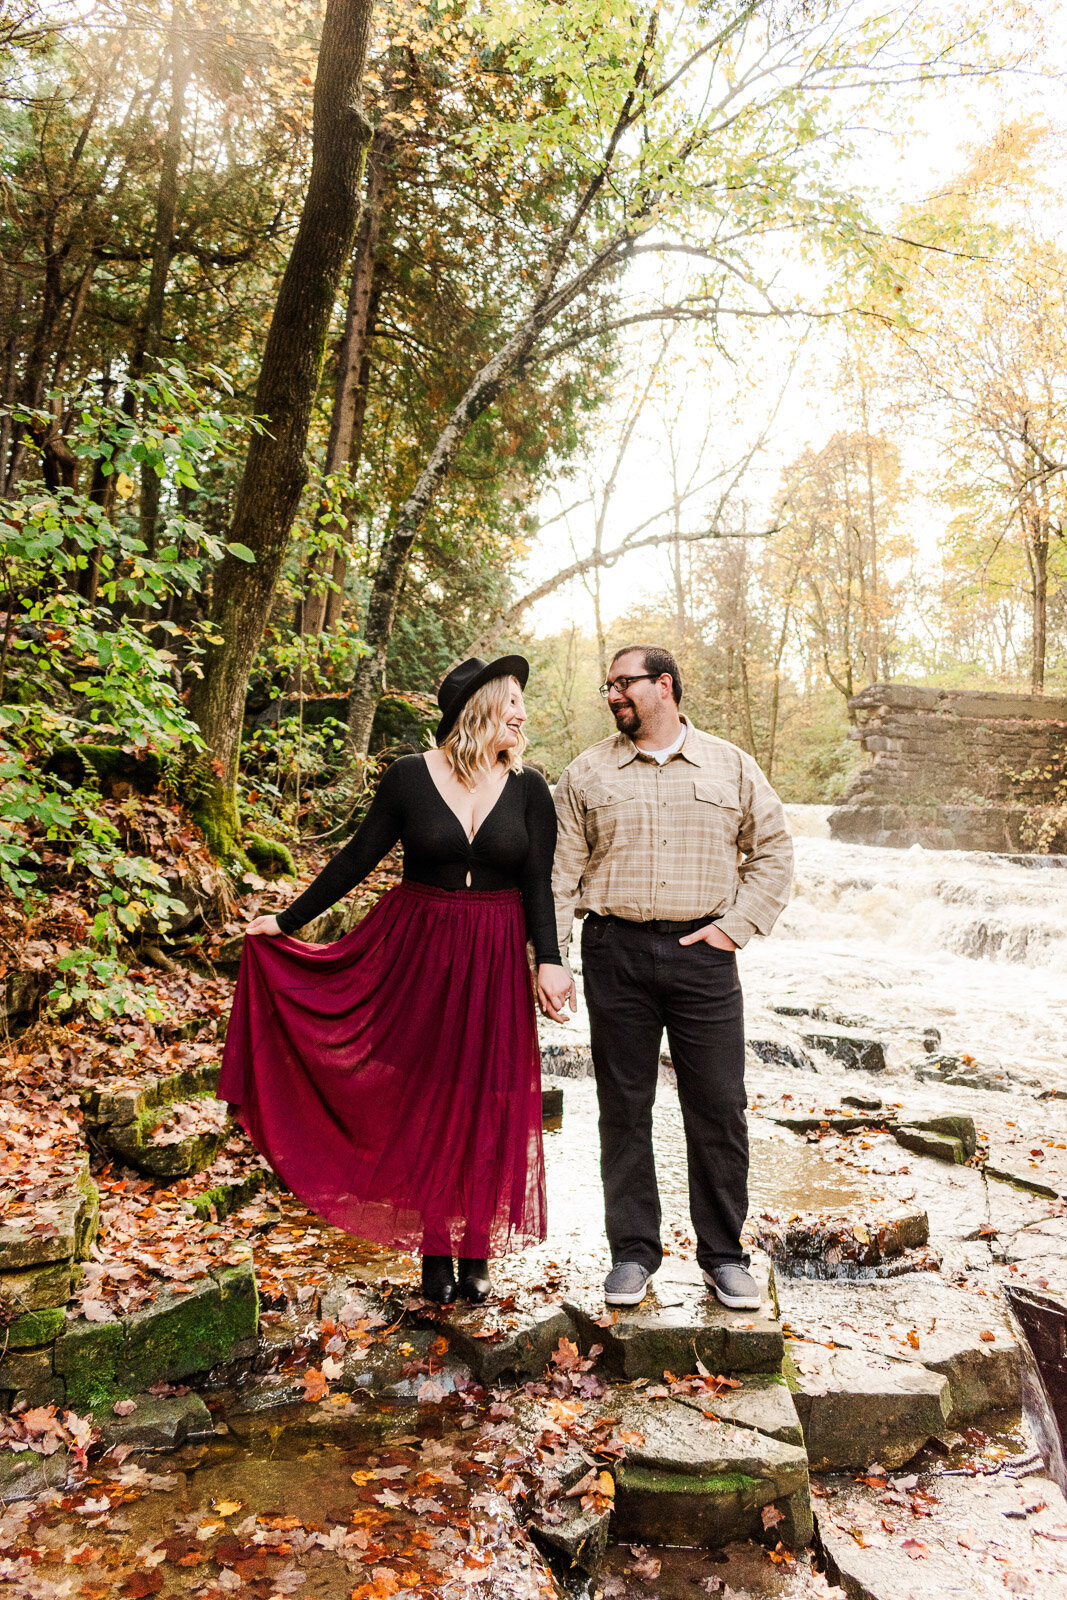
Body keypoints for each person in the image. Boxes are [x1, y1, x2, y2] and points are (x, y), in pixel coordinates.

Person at [219, 656, 573, 1306]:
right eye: (512, 701)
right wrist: (287, 921)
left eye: (522, 702)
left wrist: (548, 959)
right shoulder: (410, 777)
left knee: (484, 1096)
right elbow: (357, 856)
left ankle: (476, 1249)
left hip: (495, 953)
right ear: (478, 708)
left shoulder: (529, 789)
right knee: (427, 1094)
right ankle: (435, 1244)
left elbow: (538, 884)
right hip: (417, 953)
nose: (522, 714)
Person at [551, 644, 794, 1310]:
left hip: (704, 957)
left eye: (622, 684)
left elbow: (773, 854)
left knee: (718, 1107)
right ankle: (631, 1255)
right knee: (623, 1110)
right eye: (607, 686)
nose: (611, 695)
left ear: (663, 685)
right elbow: (558, 875)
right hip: (613, 954)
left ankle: (723, 1257)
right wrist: (551, 959)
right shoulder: (585, 773)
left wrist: (731, 930)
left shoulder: (731, 765)